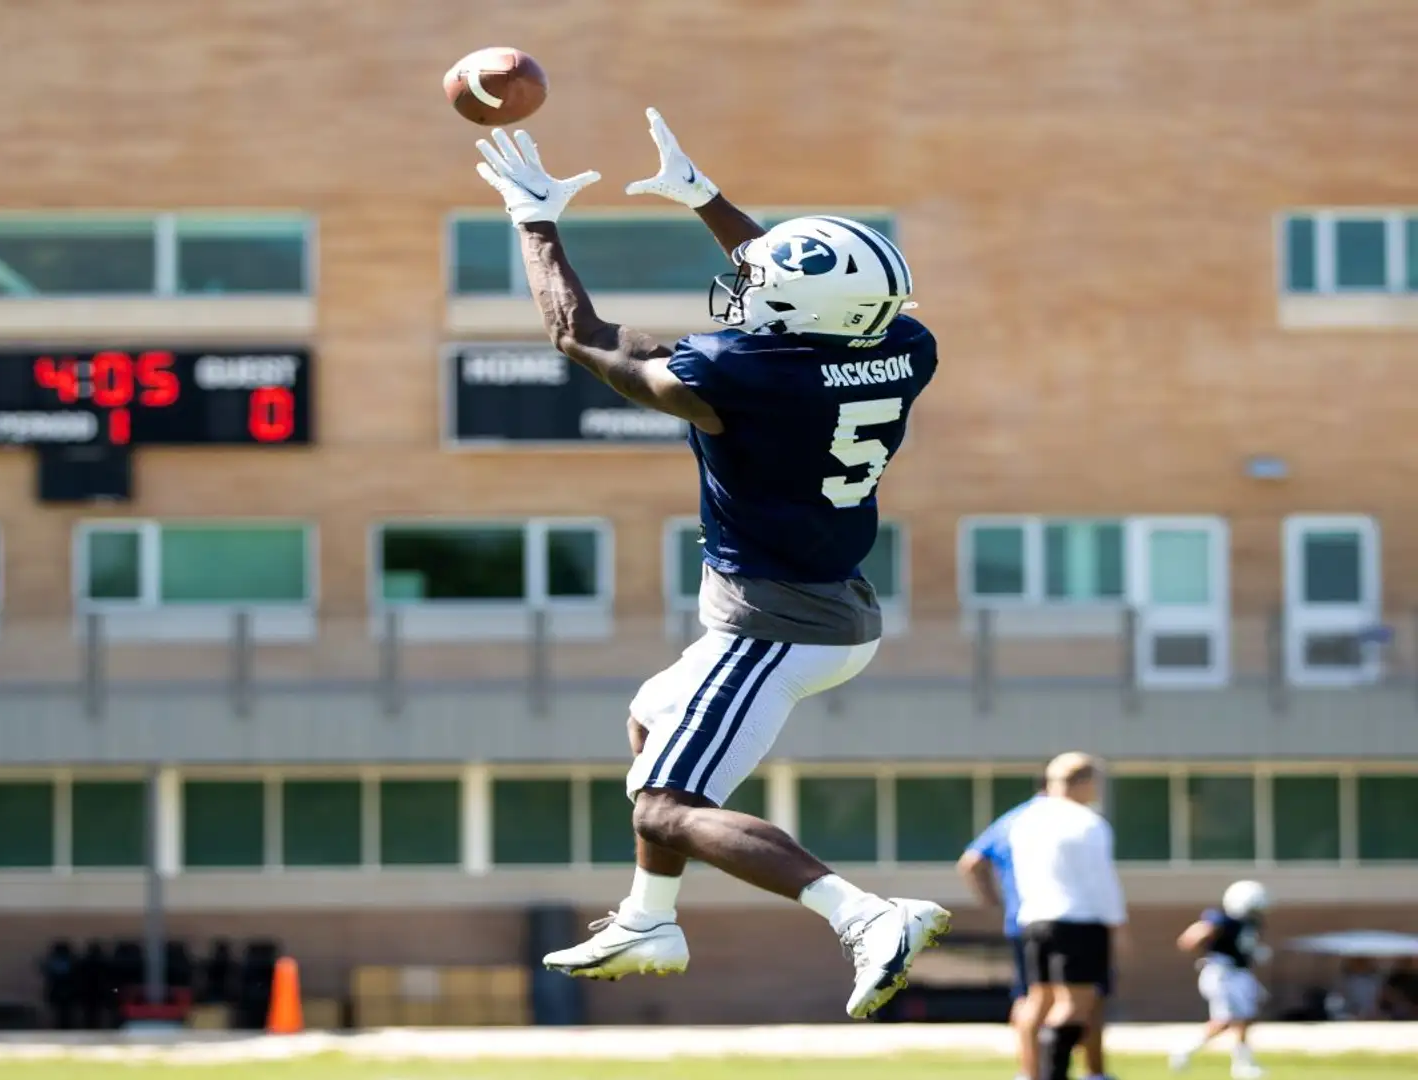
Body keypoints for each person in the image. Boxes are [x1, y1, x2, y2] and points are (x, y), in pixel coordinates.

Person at [470, 106, 946, 1020]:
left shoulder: (745, 376)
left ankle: (863, 915)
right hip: (826, 605)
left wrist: (533, 220)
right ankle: (650, 919)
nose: (741, 285)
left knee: (664, 806)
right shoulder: (902, 345)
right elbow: (807, 294)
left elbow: (585, 337)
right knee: (651, 714)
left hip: (774, 626)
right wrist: (707, 200)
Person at [959, 778, 1113, 1080]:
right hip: (1064, 918)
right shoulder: (1051, 819)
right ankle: (1089, 1073)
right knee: (1082, 998)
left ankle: (1030, 1073)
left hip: (1027, 921)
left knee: (1035, 999)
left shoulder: (1015, 819)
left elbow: (971, 861)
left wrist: (994, 901)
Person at [1008, 753, 1128, 1080]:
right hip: (1078, 921)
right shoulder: (1086, 822)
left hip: (1034, 919)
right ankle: (1054, 1073)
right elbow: (1100, 880)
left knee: (1038, 999)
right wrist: (1116, 922)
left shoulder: (1026, 821)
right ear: (1084, 782)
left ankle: (1030, 1073)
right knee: (1077, 1004)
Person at [1170, 880, 1272, 1079]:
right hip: (1223, 974)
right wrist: (1205, 950)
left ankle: (1243, 1065)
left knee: (1246, 1018)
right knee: (1224, 1021)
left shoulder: (1248, 924)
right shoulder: (1223, 920)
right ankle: (1183, 1050)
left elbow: (1243, 948)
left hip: (1238, 973)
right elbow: (1191, 938)